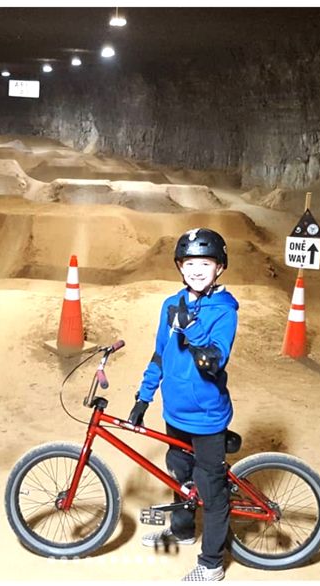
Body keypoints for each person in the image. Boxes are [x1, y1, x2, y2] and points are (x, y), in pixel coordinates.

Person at [129, 228, 238, 582]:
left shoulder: (225, 311)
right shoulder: (170, 305)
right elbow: (160, 354)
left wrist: (191, 328)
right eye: (189, 263)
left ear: (219, 267)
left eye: (204, 263)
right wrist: (144, 398)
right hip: (174, 414)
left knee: (211, 489)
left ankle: (211, 565)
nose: (196, 270)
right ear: (179, 265)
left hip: (206, 417)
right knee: (179, 472)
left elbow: (213, 360)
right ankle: (182, 529)